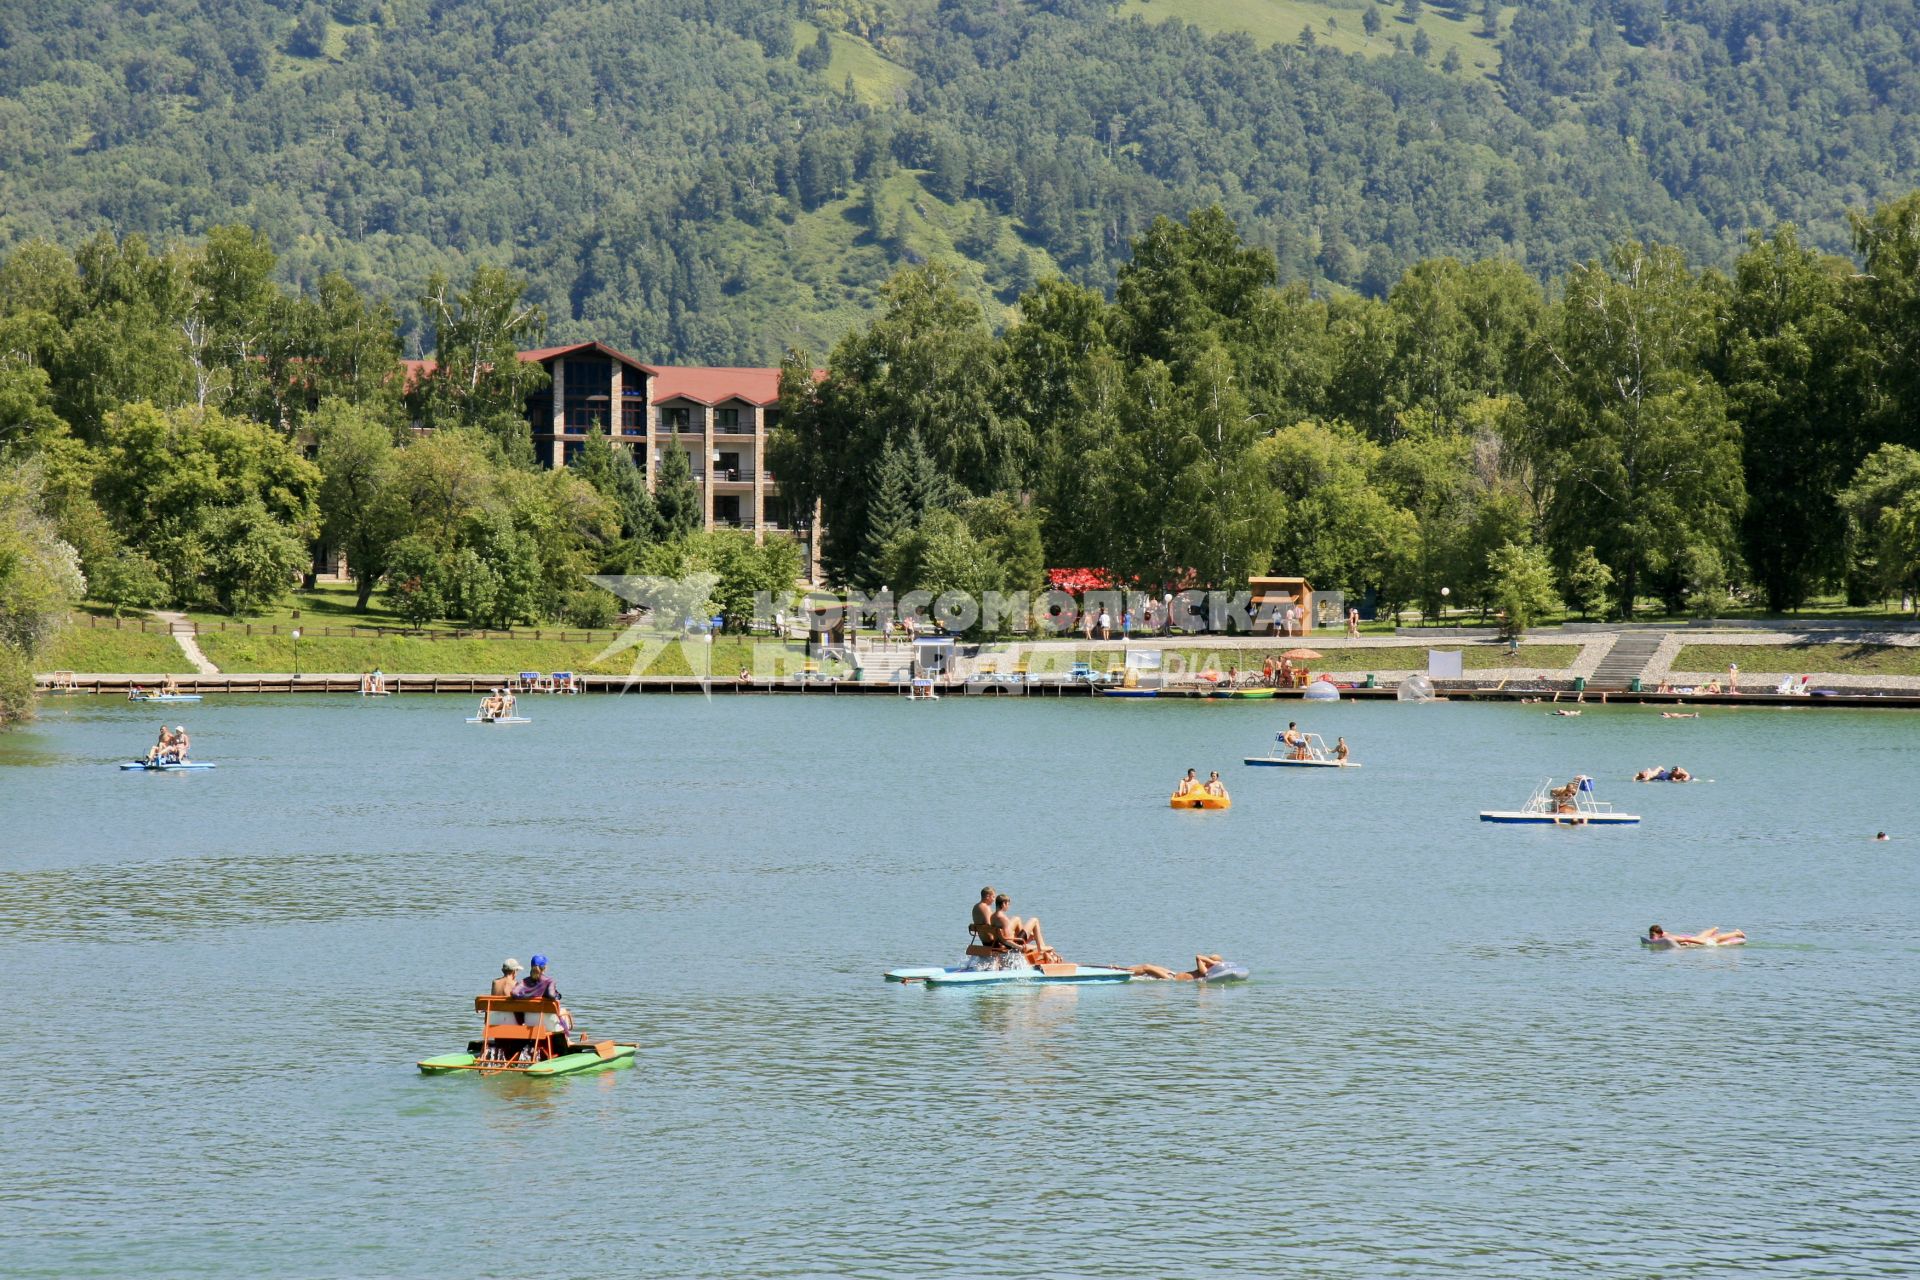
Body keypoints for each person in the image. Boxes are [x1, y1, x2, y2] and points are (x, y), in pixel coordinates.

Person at [990, 894, 1056, 963]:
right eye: (1008, 904)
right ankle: (1041, 947)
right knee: (1034, 920)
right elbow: (1006, 940)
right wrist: (1020, 947)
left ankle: (1033, 939)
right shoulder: (1003, 918)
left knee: (1016, 918)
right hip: (1013, 944)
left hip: (1002, 942)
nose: (1008, 907)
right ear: (1003, 904)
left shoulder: (992, 916)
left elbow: (1002, 937)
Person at [1128, 954, 1228, 981]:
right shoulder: (1207, 969)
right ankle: (1125, 969)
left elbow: (1198, 957)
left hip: (1172, 979)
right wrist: (1212, 962)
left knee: (1147, 967)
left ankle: (1123, 971)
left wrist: (1212, 962)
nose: (1206, 961)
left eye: (1209, 960)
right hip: (1174, 974)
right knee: (1151, 965)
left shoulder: (1206, 971)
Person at [1646, 925, 1746, 948]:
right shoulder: (1663, 935)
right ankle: (1713, 929)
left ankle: (1737, 934)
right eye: (1650, 935)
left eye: (1652, 935)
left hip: (1692, 940)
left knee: (1714, 939)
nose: (1650, 937)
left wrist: (1705, 943)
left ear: (1659, 934)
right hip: (1691, 939)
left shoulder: (1668, 938)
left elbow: (1686, 939)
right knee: (1702, 935)